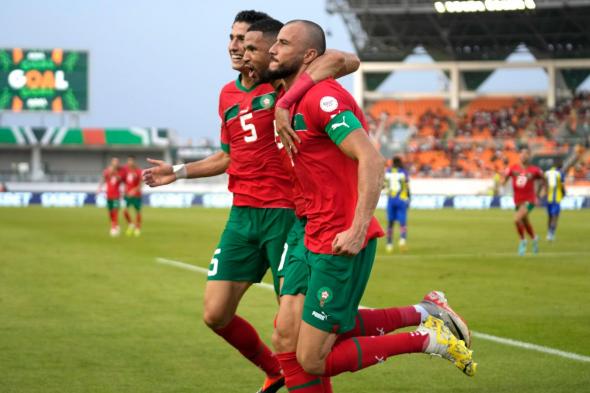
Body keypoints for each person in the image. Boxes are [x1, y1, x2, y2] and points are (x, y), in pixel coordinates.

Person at [243, 18, 473, 393]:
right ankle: (425, 312)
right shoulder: (283, 96)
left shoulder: (321, 98)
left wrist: (356, 227)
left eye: (281, 44)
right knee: (291, 335)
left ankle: (429, 338)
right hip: (308, 229)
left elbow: (371, 158)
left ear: (308, 56)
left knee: (313, 357)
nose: (271, 50)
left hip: (338, 235)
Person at [144, 12, 365, 393]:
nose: (235, 46)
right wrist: (177, 171)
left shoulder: (283, 80)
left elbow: (345, 60)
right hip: (242, 216)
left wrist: (286, 101)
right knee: (215, 313)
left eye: (245, 40)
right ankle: (274, 370)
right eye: (231, 38)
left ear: (268, 47)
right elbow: (227, 155)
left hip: (286, 216)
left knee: (297, 331)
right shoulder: (227, 94)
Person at [503, 147, 545, 256]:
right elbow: (504, 180)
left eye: (526, 154)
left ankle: (523, 241)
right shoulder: (513, 168)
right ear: (519, 156)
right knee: (525, 222)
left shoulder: (535, 170)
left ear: (529, 156)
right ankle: (535, 239)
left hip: (530, 200)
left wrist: (539, 195)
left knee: (517, 219)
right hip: (517, 200)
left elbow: (544, 180)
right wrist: (505, 173)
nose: (524, 155)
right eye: (522, 153)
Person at [384, 155, 410, 252]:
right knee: (402, 222)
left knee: (390, 223)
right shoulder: (404, 172)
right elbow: (407, 186)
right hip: (401, 199)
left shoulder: (388, 171)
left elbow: (385, 186)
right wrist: (408, 198)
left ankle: (389, 244)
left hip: (391, 199)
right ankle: (402, 240)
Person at [98, 157, 124, 237]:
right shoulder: (107, 171)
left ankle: (113, 227)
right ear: (112, 163)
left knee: (115, 210)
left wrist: (114, 173)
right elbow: (103, 179)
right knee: (110, 211)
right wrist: (99, 188)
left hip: (116, 195)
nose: (116, 163)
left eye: (117, 162)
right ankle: (114, 224)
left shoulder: (120, 171)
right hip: (109, 194)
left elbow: (121, 179)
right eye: (114, 162)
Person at [122, 156, 143, 237]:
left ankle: (137, 227)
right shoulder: (125, 170)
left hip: (136, 195)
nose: (129, 162)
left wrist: (134, 190)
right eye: (128, 161)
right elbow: (124, 182)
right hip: (127, 194)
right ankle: (131, 224)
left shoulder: (138, 171)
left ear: (134, 161)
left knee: (137, 211)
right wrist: (125, 191)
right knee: (125, 211)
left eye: (131, 161)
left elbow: (141, 184)